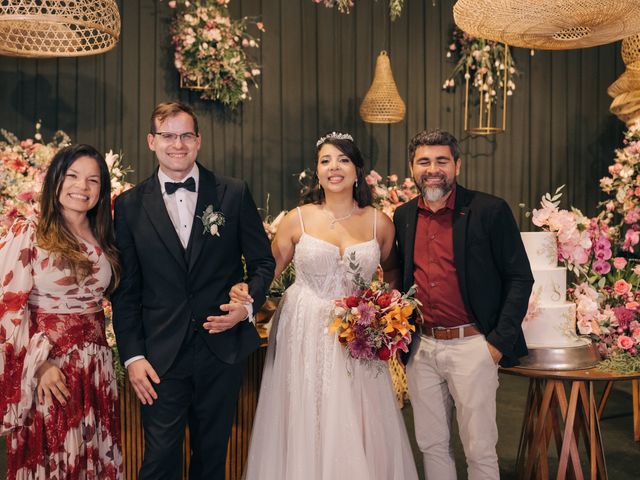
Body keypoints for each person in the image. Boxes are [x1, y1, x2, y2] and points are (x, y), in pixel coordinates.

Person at [230, 132, 419, 480]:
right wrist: (244, 295)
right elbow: (267, 272)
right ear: (316, 171)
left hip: (357, 332)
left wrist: (383, 311)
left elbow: (392, 270)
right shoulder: (297, 219)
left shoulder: (379, 222)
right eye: (325, 160)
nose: (334, 167)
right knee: (306, 409)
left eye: (343, 160)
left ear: (357, 170)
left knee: (357, 411)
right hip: (304, 328)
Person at [111, 101, 275, 480]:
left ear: (198, 141)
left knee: (212, 459)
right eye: (168, 135)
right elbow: (126, 290)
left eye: (186, 135)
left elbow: (263, 264)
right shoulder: (130, 205)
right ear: (152, 141)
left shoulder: (232, 193)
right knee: (160, 460)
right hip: (159, 357)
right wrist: (133, 357)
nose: (177, 144)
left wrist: (246, 308)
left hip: (221, 351)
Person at [393, 129, 534, 480]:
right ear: (412, 167)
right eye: (424, 161)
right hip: (422, 347)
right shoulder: (404, 216)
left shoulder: (490, 210)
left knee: (480, 446)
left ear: (457, 164)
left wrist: (497, 343)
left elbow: (520, 277)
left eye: (442, 160)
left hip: (474, 346)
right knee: (431, 443)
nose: (433, 168)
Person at [0, 144, 123, 479]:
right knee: (55, 460)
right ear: (55, 179)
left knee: (92, 460)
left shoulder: (103, 235)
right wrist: (38, 366)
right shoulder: (29, 231)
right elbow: (6, 307)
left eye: (93, 180)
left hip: (96, 368)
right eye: (72, 176)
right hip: (51, 369)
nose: (82, 187)